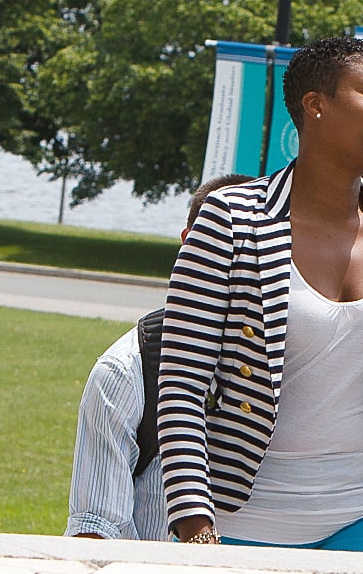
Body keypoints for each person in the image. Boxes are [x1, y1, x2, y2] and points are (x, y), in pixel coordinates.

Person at [156, 36, 363, 555]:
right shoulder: (232, 219)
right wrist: (196, 529)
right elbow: (181, 386)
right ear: (315, 105)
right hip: (248, 514)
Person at [65, 174, 249, 541]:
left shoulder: (306, 369)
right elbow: (96, 532)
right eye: (223, 249)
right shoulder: (125, 373)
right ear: (188, 244)